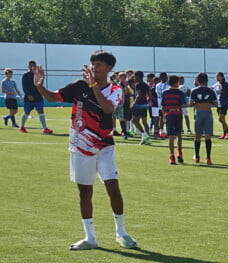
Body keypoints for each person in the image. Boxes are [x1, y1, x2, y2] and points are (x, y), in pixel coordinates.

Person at [32, 50, 137, 250]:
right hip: (80, 146)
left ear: (109, 68)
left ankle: (121, 232)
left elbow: (107, 108)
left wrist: (93, 86)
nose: (94, 68)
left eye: (99, 65)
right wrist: (39, 86)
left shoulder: (116, 89)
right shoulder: (79, 86)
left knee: (113, 188)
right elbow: (53, 98)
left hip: (104, 146)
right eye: (92, 64)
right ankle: (90, 238)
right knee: (85, 193)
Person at [189, 72, 218, 164]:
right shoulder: (211, 91)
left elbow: (191, 104)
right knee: (207, 136)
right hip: (208, 113)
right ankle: (208, 158)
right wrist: (208, 101)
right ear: (207, 81)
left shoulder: (194, 90)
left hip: (198, 113)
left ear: (198, 81)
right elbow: (216, 104)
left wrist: (197, 102)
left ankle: (197, 156)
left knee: (197, 135)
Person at [21, 61, 52, 133]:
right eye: (31, 66)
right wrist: (28, 95)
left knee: (41, 111)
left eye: (34, 66)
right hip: (29, 98)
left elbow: (41, 84)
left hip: (38, 97)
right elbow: (24, 87)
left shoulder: (37, 74)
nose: (33, 67)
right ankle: (22, 127)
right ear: (28, 67)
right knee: (26, 112)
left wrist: (42, 92)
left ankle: (45, 128)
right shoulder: (25, 75)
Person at [161, 75, 186, 165]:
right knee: (179, 134)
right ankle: (179, 152)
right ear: (176, 82)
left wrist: (164, 117)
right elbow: (183, 104)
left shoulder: (165, 92)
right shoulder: (180, 93)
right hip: (177, 114)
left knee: (171, 136)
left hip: (169, 115)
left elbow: (163, 106)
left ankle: (172, 156)